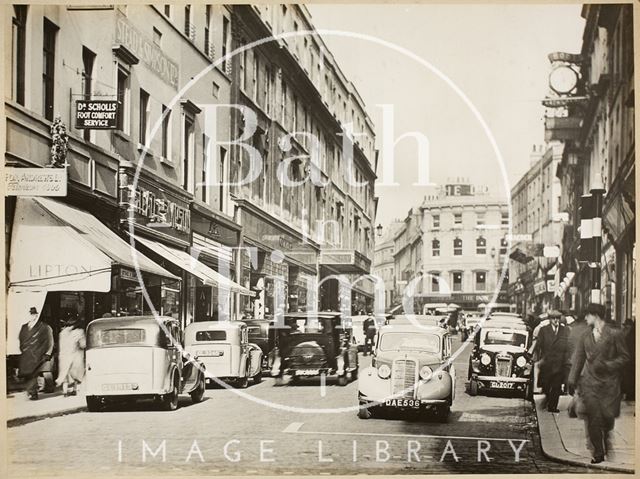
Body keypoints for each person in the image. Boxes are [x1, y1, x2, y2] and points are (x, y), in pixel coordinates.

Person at [568, 303, 630, 464]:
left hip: (609, 385)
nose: (586, 318)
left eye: (588, 315)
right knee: (593, 419)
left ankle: (607, 436)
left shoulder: (615, 334)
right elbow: (579, 359)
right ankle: (598, 453)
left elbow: (625, 357)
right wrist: (572, 380)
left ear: (596, 315)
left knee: (607, 418)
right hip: (590, 383)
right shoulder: (585, 336)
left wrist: (608, 365)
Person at [533, 310, 569, 413]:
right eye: (553, 318)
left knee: (556, 386)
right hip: (547, 364)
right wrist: (539, 359)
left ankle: (553, 406)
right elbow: (539, 346)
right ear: (550, 320)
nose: (556, 320)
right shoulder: (544, 330)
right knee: (547, 386)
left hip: (559, 364)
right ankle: (548, 401)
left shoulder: (565, 330)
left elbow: (568, 347)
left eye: (558, 318)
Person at [18, 307, 54, 400]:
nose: (31, 316)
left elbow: (50, 341)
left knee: (35, 374)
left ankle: (33, 393)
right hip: (27, 355)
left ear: (36, 316)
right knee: (28, 374)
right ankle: (32, 391)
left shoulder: (44, 327)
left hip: (38, 354)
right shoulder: (24, 327)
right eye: (30, 314)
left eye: (33, 314)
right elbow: (21, 339)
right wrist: (23, 350)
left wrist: (47, 353)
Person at [56, 314, 86, 396]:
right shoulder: (79, 332)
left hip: (63, 356)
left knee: (65, 374)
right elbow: (83, 344)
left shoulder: (62, 333)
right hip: (75, 356)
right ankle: (74, 390)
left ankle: (65, 391)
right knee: (75, 374)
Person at [621, 319, 635, 400]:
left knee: (628, 377)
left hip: (629, 361)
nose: (624, 328)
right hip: (628, 360)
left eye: (626, 326)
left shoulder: (628, 334)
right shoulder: (627, 333)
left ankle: (629, 394)